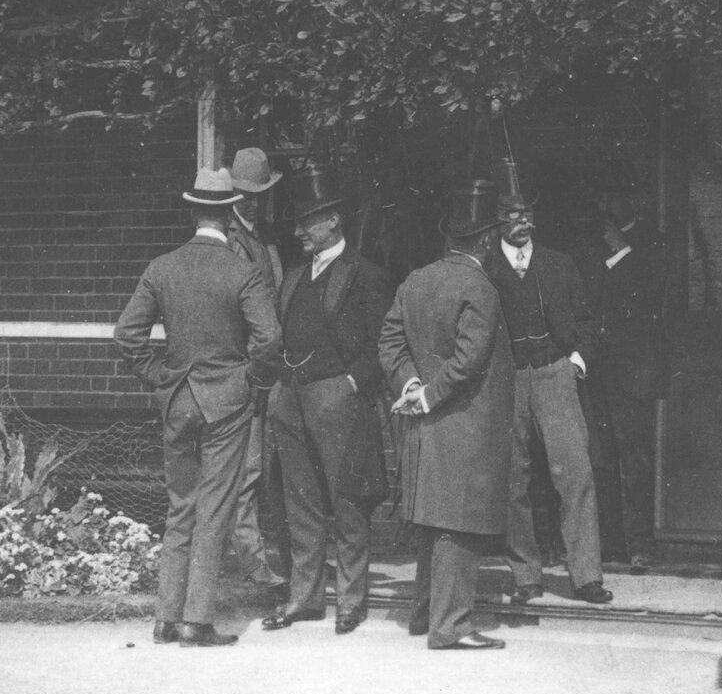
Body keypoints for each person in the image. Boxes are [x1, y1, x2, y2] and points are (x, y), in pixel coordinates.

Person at [114, 166, 281, 647]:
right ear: (230, 213)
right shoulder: (243, 270)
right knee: (215, 509)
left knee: (179, 508)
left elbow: (127, 336)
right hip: (226, 401)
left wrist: (159, 378)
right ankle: (197, 621)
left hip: (177, 400)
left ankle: (166, 618)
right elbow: (269, 338)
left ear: (193, 211)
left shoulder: (162, 267)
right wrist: (249, 379)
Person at [379, 179, 514, 650]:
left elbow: (389, 342)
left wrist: (412, 386)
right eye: (494, 234)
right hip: (466, 423)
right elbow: (471, 357)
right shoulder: (481, 287)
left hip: (425, 423)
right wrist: (431, 393)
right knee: (459, 523)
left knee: (434, 522)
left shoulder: (415, 279)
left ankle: (424, 615)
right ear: (483, 240)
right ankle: (450, 625)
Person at [262, 162, 392, 636]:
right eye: (298, 223)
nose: (299, 232)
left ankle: (351, 601)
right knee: (300, 502)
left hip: (338, 400)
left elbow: (383, 346)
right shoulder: (294, 277)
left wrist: (351, 386)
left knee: (348, 499)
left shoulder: (365, 275)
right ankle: (305, 599)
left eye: (308, 222)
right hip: (290, 398)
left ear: (333, 219)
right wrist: (279, 386)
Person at [488, 158, 612, 606]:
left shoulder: (559, 265)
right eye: (510, 213)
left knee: (574, 473)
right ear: (496, 219)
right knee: (511, 480)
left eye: (526, 213)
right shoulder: (485, 271)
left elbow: (585, 320)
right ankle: (525, 576)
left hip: (556, 374)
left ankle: (586, 576)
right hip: (507, 382)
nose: (521, 221)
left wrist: (576, 360)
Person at [595, 190, 670, 574]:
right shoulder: (591, 242)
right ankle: (611, 544)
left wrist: (621, 251)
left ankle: (642, 545)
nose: (609, 204)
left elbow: (651, 295)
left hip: (633, 371)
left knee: (635, 460)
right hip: (596, 369)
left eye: (616, 195)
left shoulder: (652, 242)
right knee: (601, 459)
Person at [225, 147, 289, 597]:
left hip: (271, 367)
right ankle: (251, 561)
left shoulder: (266, 239)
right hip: (244, 368)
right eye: (245, 194)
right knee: (246, 469)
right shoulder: (230, 240)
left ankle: (264, 554)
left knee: (264, 467)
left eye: (259, 194)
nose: (252, 201)